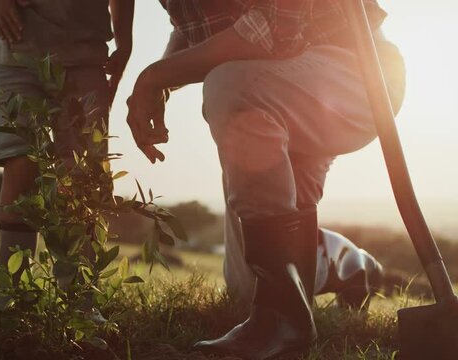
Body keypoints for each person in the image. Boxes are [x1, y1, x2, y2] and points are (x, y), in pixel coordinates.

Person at [127, 0, 405, 358]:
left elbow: (272, 32)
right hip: (273, 79)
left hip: (352, 69)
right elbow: (193, 21)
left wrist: (155, 77)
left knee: (230, 86)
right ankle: (346, 264)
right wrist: (163, 79)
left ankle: (282, 323)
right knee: (247, 289)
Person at [0, 0, 134, 269]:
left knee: (80, 177)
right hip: (15, 51)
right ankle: (12, 293)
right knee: (21, 165)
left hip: (84, 56)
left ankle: (79, 297)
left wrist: (125, 44)